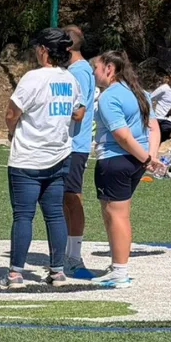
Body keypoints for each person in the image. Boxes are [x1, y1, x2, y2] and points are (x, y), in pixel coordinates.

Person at [3, 29, 84, 289]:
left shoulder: (33, 78)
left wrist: (12, 131)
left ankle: (16, 273)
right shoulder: (70, 79)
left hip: (28, 157)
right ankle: (57, 271)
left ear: (44, 50)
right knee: (54, 216)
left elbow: (11, 112)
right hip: (59, 154)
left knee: (23, 216)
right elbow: (78, 112)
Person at [90, 50, 166, 288]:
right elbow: (154, 128)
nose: (94, 73)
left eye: (96, 69)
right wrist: (149, 156)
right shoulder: (140, 92)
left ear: (109, 69)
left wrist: (147, 159)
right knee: (116, 214)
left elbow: (122, 135)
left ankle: (120, 272)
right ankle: (117, 266)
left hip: (117, 160)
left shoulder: (109, 96)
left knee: (117, 215)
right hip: (134, 162)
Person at [61, 25, 94, 276]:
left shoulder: (79, 72)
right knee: (65, 198)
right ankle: (67, 251)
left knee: (72, 198)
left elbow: (78, 112)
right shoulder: (77, 70)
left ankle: (74, 255)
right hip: (71, 144)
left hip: (75, 144)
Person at [150, 70, 171, 151]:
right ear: (168, 78)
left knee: (162, 137)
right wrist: (150, 113)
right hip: (160, 117)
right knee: (165, 133)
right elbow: (150, 98)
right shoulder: (163, 88)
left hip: (169, 118)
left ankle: (152, 153)